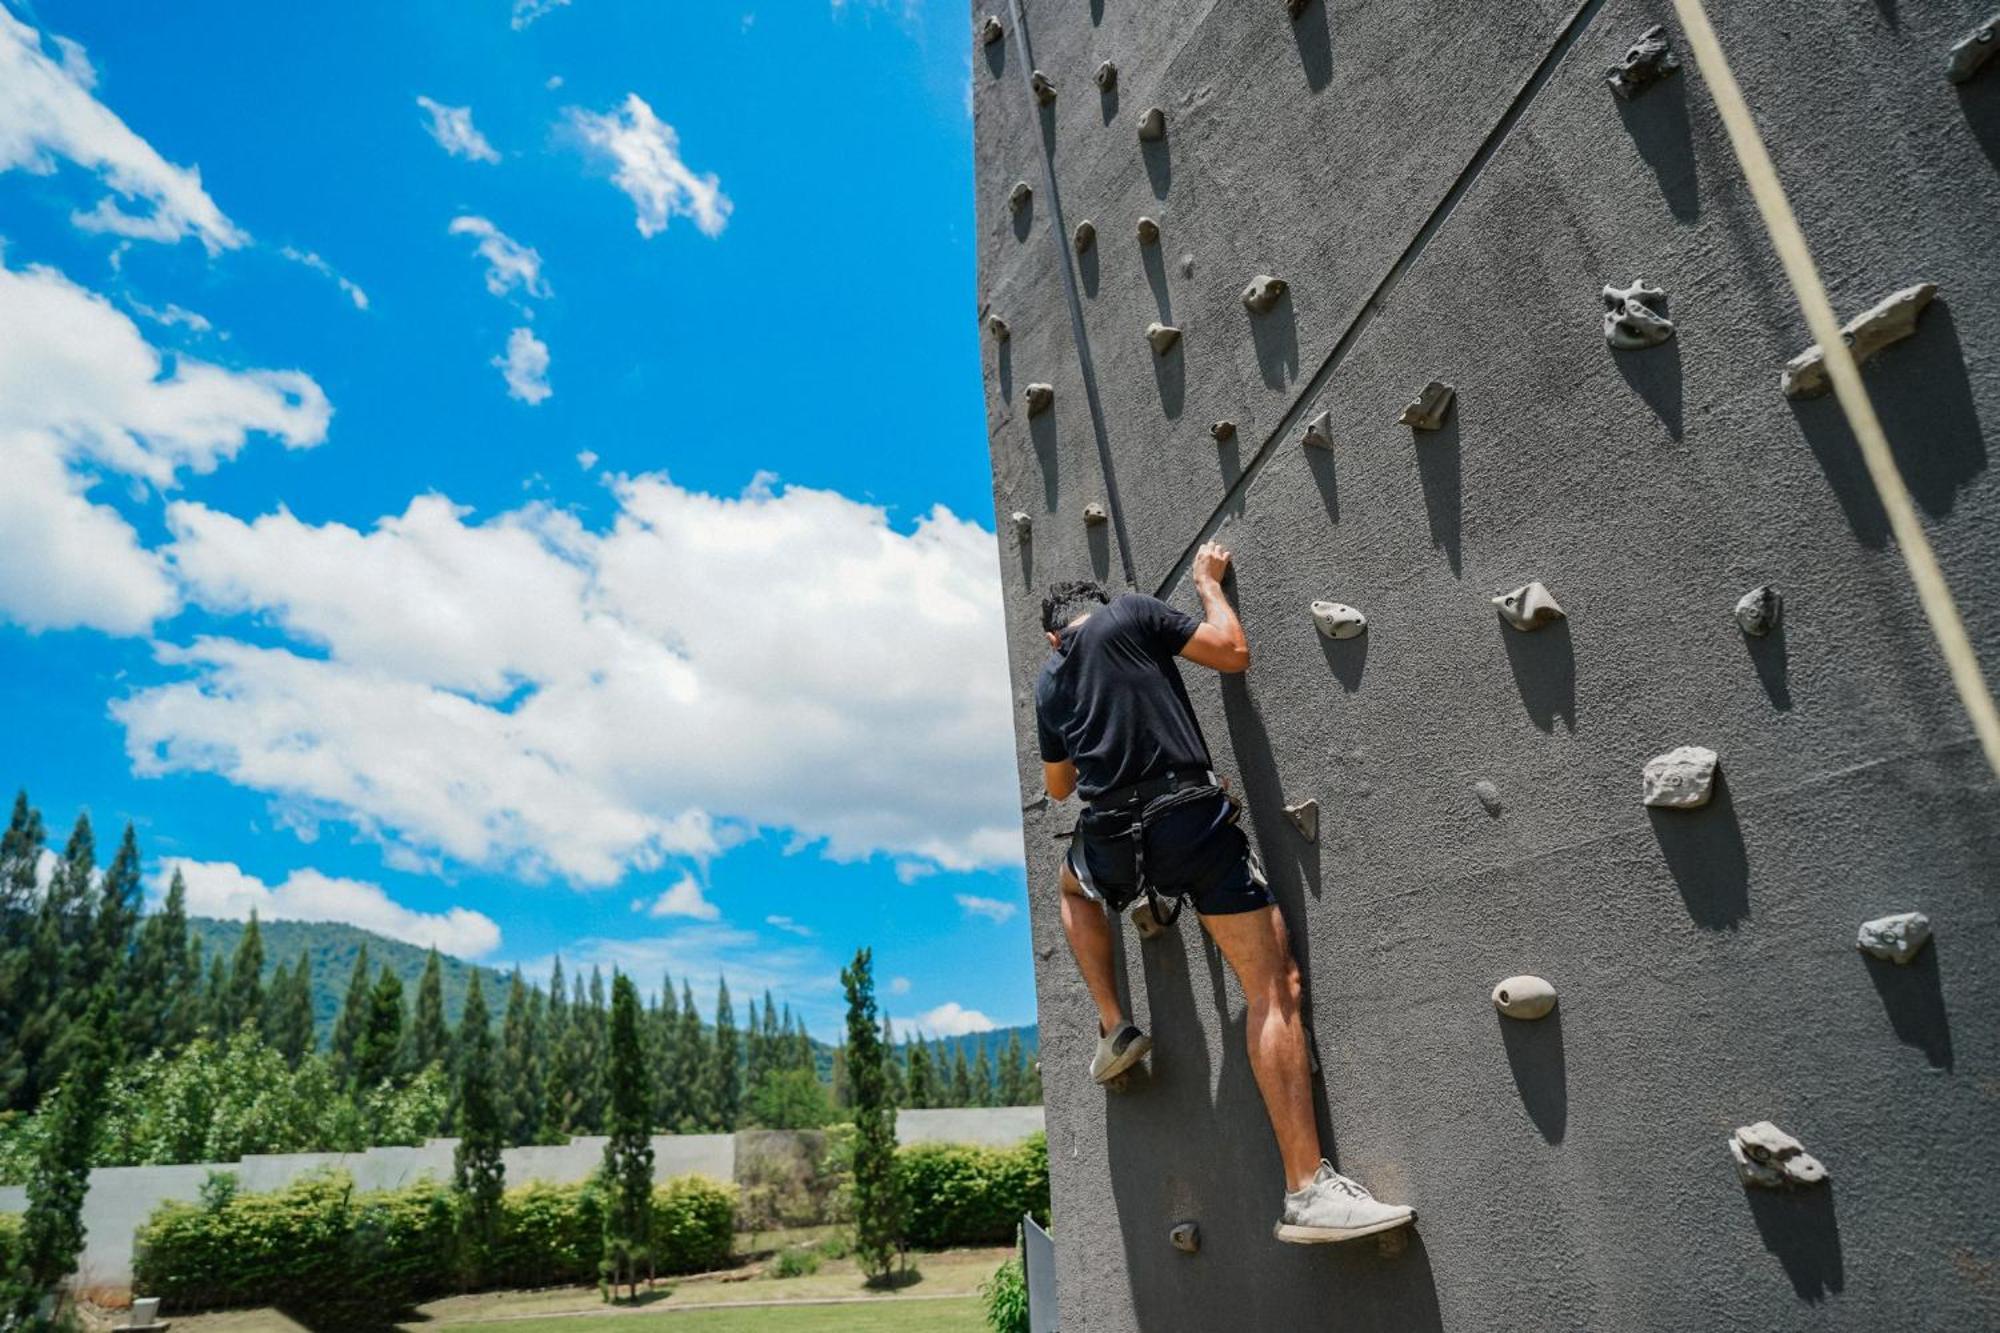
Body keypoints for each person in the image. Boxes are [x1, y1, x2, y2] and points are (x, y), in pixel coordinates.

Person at [1034, 541, 1414, 1244]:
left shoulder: (1050, 676)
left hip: (1116, 835)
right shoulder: (1135, 613)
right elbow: (1232, 651)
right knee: (1273, 986)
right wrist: (1209, 583)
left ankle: (1115, 1022)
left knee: (1073, 886)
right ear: (1102, 604)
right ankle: (1305, 1189)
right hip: (1188, 820)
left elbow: (1059, 788)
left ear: (1057, 633)